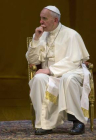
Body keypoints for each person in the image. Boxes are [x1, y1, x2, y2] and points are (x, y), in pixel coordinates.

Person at [26, 6, 90, 135]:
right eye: (40, 18)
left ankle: (78, 122)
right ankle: (45, 124)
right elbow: (31, 60)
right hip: (50, 74)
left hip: (72, 71)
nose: (41, 22)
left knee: (68, 79)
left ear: (55, 20)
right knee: (38, 79)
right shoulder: (41, 35)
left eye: (44, 18)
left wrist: (49, 70)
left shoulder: (71, 34)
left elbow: (73, 61)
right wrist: (36, 39)